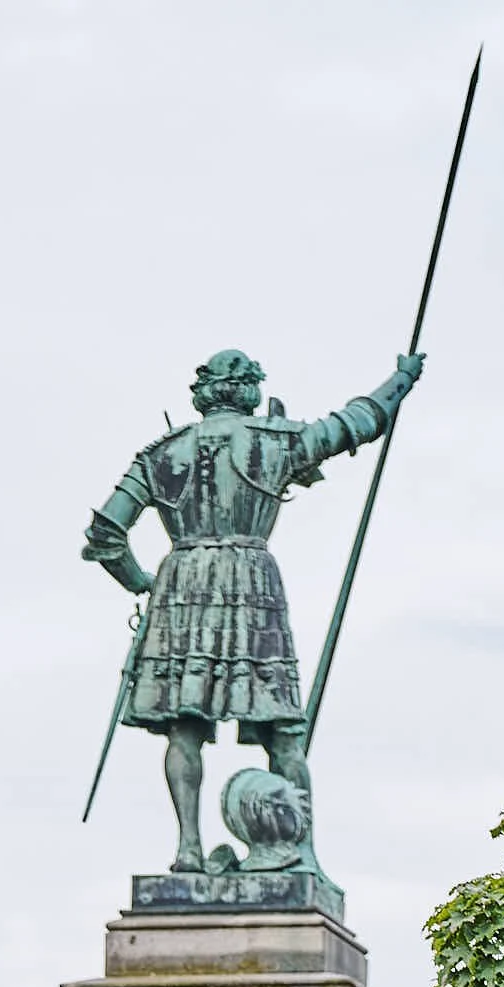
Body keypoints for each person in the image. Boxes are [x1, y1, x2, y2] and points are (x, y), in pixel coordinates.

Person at [83, 346, 423, 868]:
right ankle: (302, 852)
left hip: (182, 587)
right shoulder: (273, 439)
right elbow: (357, 422)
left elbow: (106, 531)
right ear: (248, 389)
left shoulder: (160, 454)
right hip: (249, 582)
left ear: (203, 393)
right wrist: (401, 380)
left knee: (183, 727)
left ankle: (188, 848)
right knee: (283, 728)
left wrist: (143, 581)